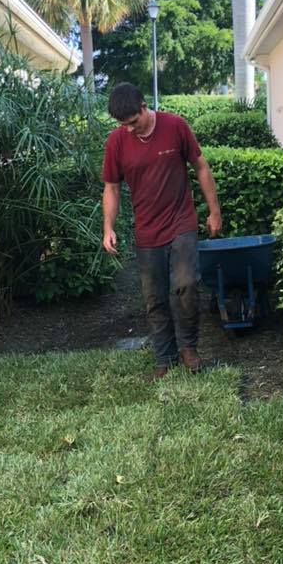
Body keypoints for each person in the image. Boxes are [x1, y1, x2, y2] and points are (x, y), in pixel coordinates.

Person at [102, 83, 222, 379]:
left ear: (144, 106)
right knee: (154, 297)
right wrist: (108, 227)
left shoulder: (175, 126)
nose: (129, 129)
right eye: (123, 125)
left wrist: (214, 211)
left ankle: (189, 349)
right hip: (146, 230)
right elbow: (112, 187)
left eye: (133, 122)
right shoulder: (116, 141)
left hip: (181, 221)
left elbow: (201, 167)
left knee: (187, 284)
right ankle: (164, 357)